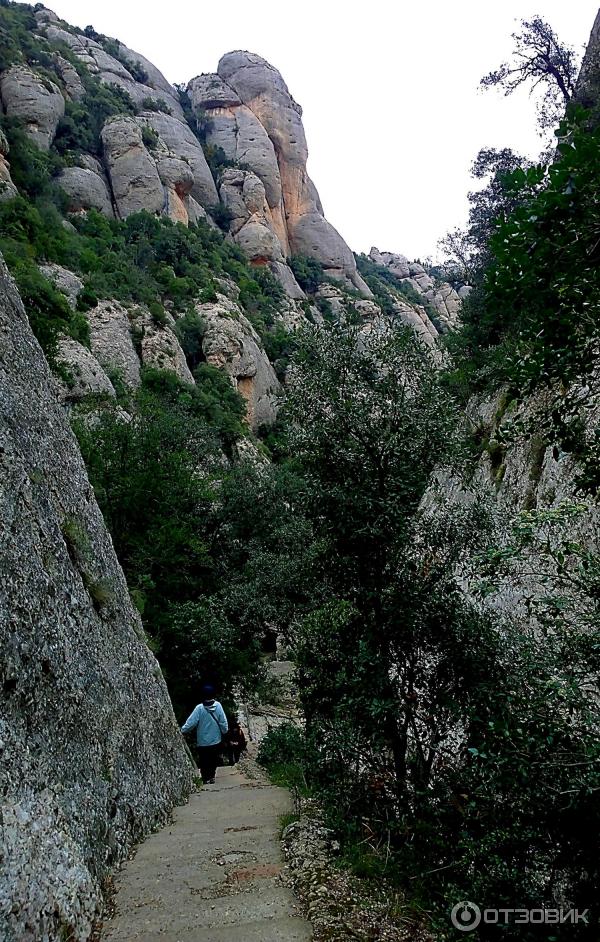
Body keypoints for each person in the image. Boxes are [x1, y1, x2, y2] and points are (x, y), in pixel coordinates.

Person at [181, 685, 228, 784]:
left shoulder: (199, 708)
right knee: (213, 759)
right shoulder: (218, 706)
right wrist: (224, 731)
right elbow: (223, 721)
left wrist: (182, 730)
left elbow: (191, 722)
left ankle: (205, 777)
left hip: (202, 740)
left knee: (204, 760)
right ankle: (212, 776)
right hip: (215, 739)